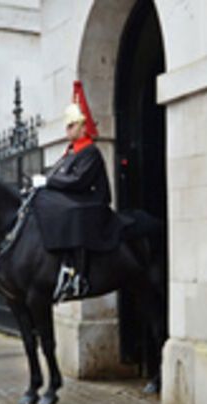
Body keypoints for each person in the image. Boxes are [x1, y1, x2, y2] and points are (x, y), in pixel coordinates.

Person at [36, 99, 123, 301]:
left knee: (71, 213)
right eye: (67, 126)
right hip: (77, 198)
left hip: (93, 200)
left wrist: (48, 181)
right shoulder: (70, 152)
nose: (67, 130)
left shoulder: (90, 151)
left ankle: (77, 273)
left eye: (71, 125)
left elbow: (78, 180)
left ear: (83, 127)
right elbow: (59, 176)